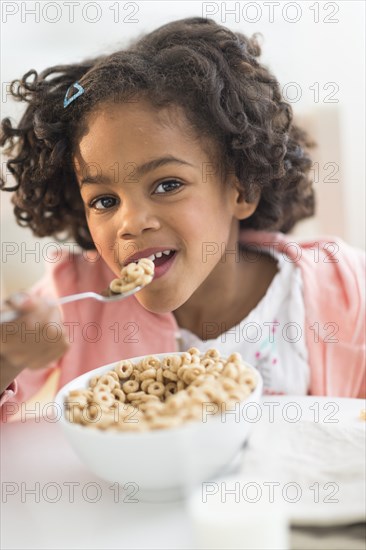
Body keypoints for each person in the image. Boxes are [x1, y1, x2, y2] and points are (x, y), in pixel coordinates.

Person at [0, 17, 364, 421]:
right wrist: (8, 359)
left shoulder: (342, 289)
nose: (132, 222)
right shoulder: (77, 298)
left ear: (241, 188)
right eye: (104, 200)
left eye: (167, 185)